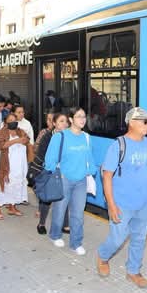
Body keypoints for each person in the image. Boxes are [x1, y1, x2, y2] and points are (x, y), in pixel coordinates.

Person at [96, 107, 147, 287]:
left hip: (142, 203)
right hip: (121, 203)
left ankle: (133, 271)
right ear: (132, 123)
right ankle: (103, 256)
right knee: (117, 239)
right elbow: (107, 176)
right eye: (145, 121)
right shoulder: (118, 146)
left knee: (139, 239)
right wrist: (111, 205)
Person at [43, 107, 95, 255]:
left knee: (78, 214)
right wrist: (56, 174)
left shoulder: (86, 137)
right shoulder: (60, 136)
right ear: (71, 119)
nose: (83, 119)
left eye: (84, 116)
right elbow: (49, 159)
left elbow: (90, 157)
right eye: (79, 116)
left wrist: (91, 170)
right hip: (64, 179)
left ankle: (76, 243)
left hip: (81, 181)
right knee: (59, 210)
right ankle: (55, 235)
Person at [0, 113, 32, 219]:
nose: (13, 122)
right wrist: (16, 141)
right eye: (10, 120)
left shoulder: (20, 131)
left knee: (17, 184)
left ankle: (12, 207)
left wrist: (24, 140)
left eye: (14, 120)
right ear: (5, 122)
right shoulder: (1, 133)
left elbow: (27, 139)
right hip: (7, 166)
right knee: (5, 186)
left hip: (20, 164)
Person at [32, 112, 69, 226]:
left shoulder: (69, 136)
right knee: (47, 198)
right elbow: (41, 155)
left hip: (65, 172)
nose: (65, 124)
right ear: (54, 123)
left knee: (64, 197)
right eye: (61, 121)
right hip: (50, 171)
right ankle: (42, 223)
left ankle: (65, 224)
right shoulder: (47, 136)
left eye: (66, 121)